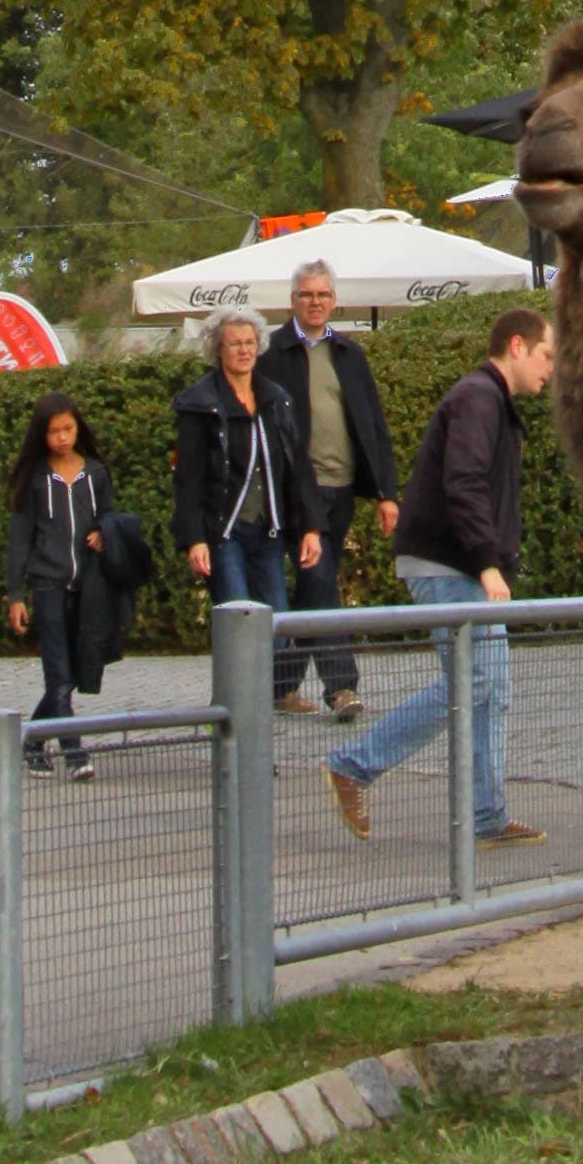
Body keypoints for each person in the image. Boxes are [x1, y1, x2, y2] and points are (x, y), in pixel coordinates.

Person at [324, 308, 554, 853]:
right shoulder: (479, 398)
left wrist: (491, 561)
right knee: (477, 683)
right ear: (517, 346)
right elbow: (464, 481)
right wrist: (488, 562)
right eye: (547, 356)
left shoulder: (488, 400)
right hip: (450, 565)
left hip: (456, 563)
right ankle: (355, 766)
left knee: (487, 687)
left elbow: (476, 486)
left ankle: (485, 815)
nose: (551, 369)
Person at [257, 263, 399, 722]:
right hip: (299, 490)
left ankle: (279, 685)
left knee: (314, 585)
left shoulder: (349, 354)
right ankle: (341, 687)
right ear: (292, 300)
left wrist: (386, 493)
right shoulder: (271, 353)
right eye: (306, 294)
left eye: (322, 295)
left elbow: (374, 424)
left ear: (334, 301)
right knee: (319, 580)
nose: (314, 302)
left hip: (342, 487)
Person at [171, 312, 321, 632]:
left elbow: (298, 467)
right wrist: (195, 539)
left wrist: (311, 527)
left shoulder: (277, 400)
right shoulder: (199, 404)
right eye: (235, 344)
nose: (244, 350)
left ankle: (272, 669)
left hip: (268, 531)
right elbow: (189, 479)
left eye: (250, 343)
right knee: (238, 622)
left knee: (276, 624)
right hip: (225, 532)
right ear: (218, 350)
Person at [4, 400, 121, 773]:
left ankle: (32, 741)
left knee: (67, 675)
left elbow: (110, 515)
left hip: (87, 586)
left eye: (67, 429)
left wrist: (103, 533)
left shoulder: (96, 473)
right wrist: (15, 594)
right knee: (57, 673)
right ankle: (74, 754)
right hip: (48, 585)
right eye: (53, 431)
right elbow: (20, 537)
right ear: (42, 435)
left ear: (77, 428)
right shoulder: (36, 479)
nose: (61, 438)